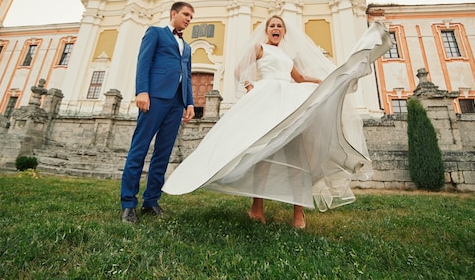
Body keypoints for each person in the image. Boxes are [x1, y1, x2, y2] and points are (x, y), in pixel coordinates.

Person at [163, 15, 392, 229]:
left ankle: (299, 211)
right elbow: (239, 70)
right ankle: (257, 208)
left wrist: (324, 82)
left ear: (283, 32)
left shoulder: (286, 57)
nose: (275, 28)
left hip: (288, 100)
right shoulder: (259, 48)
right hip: (267, 99)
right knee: (261, 153)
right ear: (266, 30)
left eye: (279, 26)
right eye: (272, 25)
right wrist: (249, 86)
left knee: (297, 152)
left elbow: (299, 78)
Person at [120, 2, 196, 223]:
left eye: (191, 16)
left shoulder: (188, 47)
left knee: (163, 153)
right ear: (174, 13)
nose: (189, 19)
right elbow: (143, 61)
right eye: (185, 14)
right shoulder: (156, 33)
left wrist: (189, 103)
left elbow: (188, 76)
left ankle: (151, 200)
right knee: (139, 148)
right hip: (154, 98)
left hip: (176, 103)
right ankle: (128, 204)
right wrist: (142, 91)